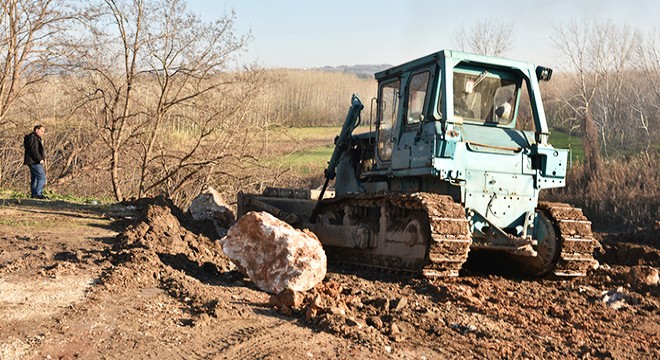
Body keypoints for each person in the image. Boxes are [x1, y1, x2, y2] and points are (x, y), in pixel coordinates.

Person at [23, 125, 48, 199]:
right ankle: (38, 193)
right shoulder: (33, 138)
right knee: (42, 177)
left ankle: (34, 194)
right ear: (36, 130)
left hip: (31, 161)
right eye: (42, 131)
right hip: (34, 161)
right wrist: (40, 159)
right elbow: (34, 150)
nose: (43, 133)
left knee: (35, 178)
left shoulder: (32, 137)